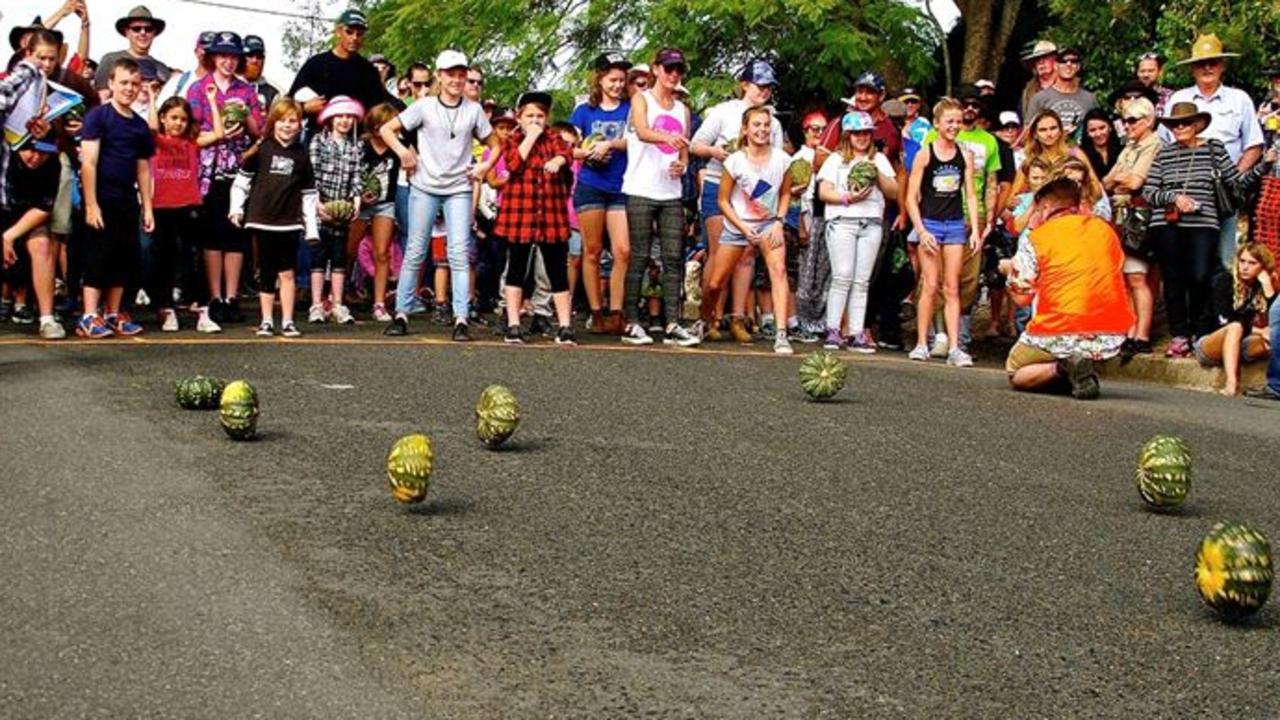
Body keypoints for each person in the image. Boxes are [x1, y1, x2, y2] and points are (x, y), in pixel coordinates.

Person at [380, 49, 496, 340]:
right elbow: (386, 129)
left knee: (459, 253)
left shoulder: (473, 110)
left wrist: (485, 166)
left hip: (458, 188)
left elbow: (496, 143)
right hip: (424, 186)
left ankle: (460, 318)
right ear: (440, 76)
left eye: (462, 74)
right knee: (416, 251)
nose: (457, 80)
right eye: (451, 74)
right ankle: (402, 314)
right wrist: (405, 152)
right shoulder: (425, 106)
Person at [1143, 102, 1273, 358]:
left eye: (1186, 123)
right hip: (1167, 222)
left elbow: (1236, 182)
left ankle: (1200, 331)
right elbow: (1149, 191)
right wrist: (1174, 197)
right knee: (1173, 278)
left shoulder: (1214, 149)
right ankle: (1179, 334)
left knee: (1201, 275)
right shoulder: (1164, 154)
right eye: (1175, 124)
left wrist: (1263, 166)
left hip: (1203, 223)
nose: (1180, 128)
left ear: (1196, 125)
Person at [1004, 178, 1135, 399]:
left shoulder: (1038, 238)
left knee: (1016, 372)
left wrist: (1007, 272)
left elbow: (1022, 298)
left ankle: (1062, 367)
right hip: (1110, 331)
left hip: (1060, 326)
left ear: (1044, 207)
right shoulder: (1106, 232)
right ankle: (1076, 368)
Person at [691, 58, 782, 341]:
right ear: (744, 85)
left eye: (768, 87)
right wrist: (716, 153)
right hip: (719, 185)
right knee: (720, 255)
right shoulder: (723, 112)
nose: (764, 91)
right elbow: (695, 145)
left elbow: (776, 164)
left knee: (746, 256)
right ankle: (709, 318)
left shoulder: (773, 122)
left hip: (754, 194)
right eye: (759, 85)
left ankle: (738, 318)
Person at [619, 47, 699, 347]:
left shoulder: (682, 109)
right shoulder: (642, 99)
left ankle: (672, 323)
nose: (674, 75)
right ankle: (631, 321)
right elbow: (640, 131)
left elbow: (684, 149)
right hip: (641, 187)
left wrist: (683, 163)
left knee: (673, 257)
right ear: (656, 69)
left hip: (670, 191)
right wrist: (667, 137)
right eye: (669, 69)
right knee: (639, 255)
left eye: (679, 70)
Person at [700, 105, 796, 354]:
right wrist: (741, 227)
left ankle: (782, 333)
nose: (762, 129)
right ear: (745, 129)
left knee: (779, 270)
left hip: (768, 224)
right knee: (715, 283)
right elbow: (723, 200)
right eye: (757, 125)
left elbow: (786, 194)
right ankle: (704, 319)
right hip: (737, 225)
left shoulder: (782, 160)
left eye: (766, 125)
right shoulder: (734, 161)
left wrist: (779, 221)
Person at [1167, 34, 1265, 269]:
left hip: (1223, 192)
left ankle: (1222, 306)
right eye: (1202, 63)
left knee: (1224, 256)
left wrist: (1234, 178)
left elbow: (1254, 144)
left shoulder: (1239, 99)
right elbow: (1166, 145)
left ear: (1222, 66)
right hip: (1186, 190)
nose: (1207, 67)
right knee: (1187, 256)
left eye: (1213, 62)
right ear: (1193, 68)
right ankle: (1193, 307)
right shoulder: (1178, 99)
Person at [187, 31, 263, 326]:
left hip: (238, 168)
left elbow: (258, 131)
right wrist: (217, 133)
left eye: (233, 57)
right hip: (208, 169)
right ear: (212, 57)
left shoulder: (246, 91)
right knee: (211, 235)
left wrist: (243, 117)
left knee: (236, 235)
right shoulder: (197, 88)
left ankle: (232, 297)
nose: (228, 62)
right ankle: (214, 296)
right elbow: (190, 134)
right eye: (223, 56)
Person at [78, 56, 156, 339]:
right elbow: (89, 163)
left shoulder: (139, 126)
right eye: (124, 82)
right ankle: (89, 314)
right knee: (98, 256)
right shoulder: (98, 117)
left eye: (135, 84)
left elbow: (143, 168)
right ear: (111, 83)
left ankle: (113, 312)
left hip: (126, 200)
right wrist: (90, 204)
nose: (129, 88)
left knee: (123, 258)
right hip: (101, 198)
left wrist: (147, 207)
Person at [229, 98, 318, 338]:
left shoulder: (301, 155)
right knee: (266, 272)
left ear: (300, 125)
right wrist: (236, 209)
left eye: (293, 121)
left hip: (289, 222)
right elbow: (241, 181)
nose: (287, 126)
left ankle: (287, 321)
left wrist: (311, 227)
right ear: (272, 122)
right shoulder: (261, 148)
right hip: (261, 219)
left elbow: (309, 194)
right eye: (282, 121)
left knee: (287, 273)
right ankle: (266, 320)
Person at [493, 91, 577, 345]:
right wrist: (529, 137)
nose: (535, 120)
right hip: (520, 215)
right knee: (517, 269)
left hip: (551, 216)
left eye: (540, 115)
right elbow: (514, 164)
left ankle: (564, 325)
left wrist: (559, 160)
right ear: (519, 117)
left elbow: (567, 154)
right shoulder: (511, 140)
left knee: (556, 271)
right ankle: (514, 324)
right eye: (529, 115)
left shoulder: (554, 138)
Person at [905, 97, 981, 366]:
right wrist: (921, 229)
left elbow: (970, 194)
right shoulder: (926, 154)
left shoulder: (965, 155)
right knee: (930, 284)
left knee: (952, 286)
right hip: (931, 223)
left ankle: (954, 346)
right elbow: (911, 197)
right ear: (937, 124)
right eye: (949, 121)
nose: (955, 126)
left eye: (958, 121)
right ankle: (922, 342)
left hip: (955, 224)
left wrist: (974, 228)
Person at [815, 111, 898, 351]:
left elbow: (893, 192)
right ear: (848, 135)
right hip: (842, 221)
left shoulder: (879, 159)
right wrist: (847, 197)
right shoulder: (836, 159)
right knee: (842, 275)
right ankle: (833, 328)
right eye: (857, 133)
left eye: (866, 133)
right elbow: (824, 192)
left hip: (870, 222)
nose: (862, 138)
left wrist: (874, 170)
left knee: (862, 281)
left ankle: (856, 331)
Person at [147, 84, 225, 332]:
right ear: (163, 118)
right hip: (162, 206)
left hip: (189, 206)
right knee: (165, 259)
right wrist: (152, 98)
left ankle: (202, 310)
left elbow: (219, 134)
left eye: (183, 119)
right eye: (173, 118)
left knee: (192, 258)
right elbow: (150, 127)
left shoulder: (191, 143)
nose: (178, 123)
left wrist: (212, 101)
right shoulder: (156, 141)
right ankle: (167, 309)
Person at [569, 52, 632, 335]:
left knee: (623, 250)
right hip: (591, 184)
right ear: (600, 79)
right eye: (612, 79)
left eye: (622, 79)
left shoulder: (631, 108)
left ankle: (617, 311)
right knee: (591, 251)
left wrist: (612, 145)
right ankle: (596, 311)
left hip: (621, 186)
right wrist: (591, 152)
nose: (618, 85)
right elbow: (569, 147)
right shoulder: (583, 111)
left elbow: (637, 139)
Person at [1102, 97, 1163, 359]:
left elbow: (1136, 181)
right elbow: (1106, 181)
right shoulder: (1129, 147)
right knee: (1125, 278)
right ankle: (1129, 330)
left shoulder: (1154, 144)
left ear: (1148, 120)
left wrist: (1120, 179)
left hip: (1140, 215)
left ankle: (1142, 334)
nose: (1127, 126)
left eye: (1132, 120)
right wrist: (1118, 179)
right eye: (1124, 120)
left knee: (1138, 276)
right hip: (1121, 213)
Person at [308, 95, 364, 325]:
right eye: (339, 116)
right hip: (321, 205)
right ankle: (317, 304)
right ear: (330, 119)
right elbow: (314, 175)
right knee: (319, 257)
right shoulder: (318, 142)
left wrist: (356, 202)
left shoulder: (355, 147)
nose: (344, 121)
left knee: (339, 257)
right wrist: (318, 205)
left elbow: (357, 177)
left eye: (349, 116)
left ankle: (338, 303)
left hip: (343, 206)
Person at [1, 137, 63, 339]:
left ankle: (47, 318)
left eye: (43, 152)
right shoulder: (6, 156)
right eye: (30, 151)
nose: (36, 157)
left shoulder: (53, 163)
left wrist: (9, 236)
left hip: (27, 215)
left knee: (42, 243)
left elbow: (44, 208)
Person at [1196, 244, 1275, 396]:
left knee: (1275, 336)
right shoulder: (1224, 281)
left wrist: (1268, 288)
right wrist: (1259, 331)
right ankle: (1232, 384)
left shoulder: (1263, 286)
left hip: (1241, 345)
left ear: (1263, 267)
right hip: (1210, 343)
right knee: (1235, 328)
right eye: (1242, 261)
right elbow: (1224, 322)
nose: (1245, 267)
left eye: (1252, 263)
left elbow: (1275, 321)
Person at [287, 9, 390, 124]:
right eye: (349, 32)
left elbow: (378, 111)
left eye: (359, 34)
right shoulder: (316, 64)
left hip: (356, 137)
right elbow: (287, 104)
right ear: (338, 32)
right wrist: (304, 108)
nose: (354, 38)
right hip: (318, 135)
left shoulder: (368, 71)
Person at [353, 103, 400, 322]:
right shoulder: (361, 146)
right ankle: (337, 295)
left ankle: (379, 303)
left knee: (382, 253)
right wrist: (358, 199)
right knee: (349, 250)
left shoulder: (397, 147)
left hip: (385, 203)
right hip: (360, 203)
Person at [94, 6, 168, 104]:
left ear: (154, 33)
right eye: (136, 29)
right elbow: (101, 98)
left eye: (148, 29)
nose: (143, 32)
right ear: (127, 32)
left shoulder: (162, 69)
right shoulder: (110, 60)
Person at [1025, 47, 1097, 137]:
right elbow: (1027, 135)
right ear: (1055, 66)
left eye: (1073, 61)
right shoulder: (1039, 98)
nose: (1069, 64)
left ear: (1078, 67)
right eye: (1063, 61)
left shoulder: (1090, 98)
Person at [1019, 40, 1058, 119]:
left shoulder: (1069, 86)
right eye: (1037, 59)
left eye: (1046, 57)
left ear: (1056, 60)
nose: (1041, 62)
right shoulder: (1027, 93)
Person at [241, 35, 281, 111]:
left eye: (259, 56)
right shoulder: (227, 84)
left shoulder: (273, 93)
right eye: (250, 55)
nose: (255, 60)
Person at [1081, 108, 1121, 180]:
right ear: (1087, 133)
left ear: (1110, 127)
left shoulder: (1122, 150)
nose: (1098, 134)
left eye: (1102, 128)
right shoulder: (1082, 154)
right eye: (1092, 130)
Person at [1134, 52, 1173, 117]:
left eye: (1151, 71)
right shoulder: (1130, 97)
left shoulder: (1170, 97)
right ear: (1137, 73)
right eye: (1142, 71)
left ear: (1160, 72)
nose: (1146, 75)